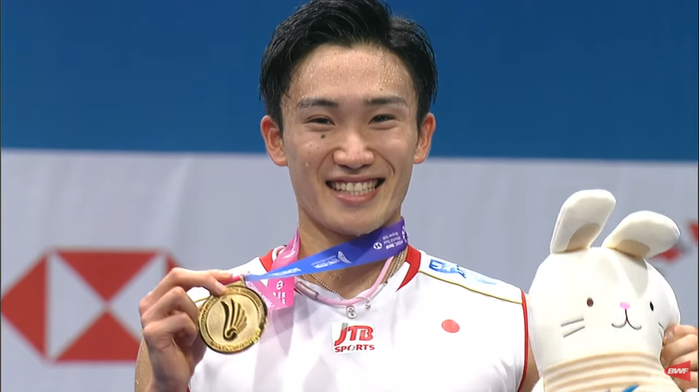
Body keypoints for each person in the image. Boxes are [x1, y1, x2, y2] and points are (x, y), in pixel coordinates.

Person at [134, 1, 699, 391]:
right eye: (322, 121)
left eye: (382, 119)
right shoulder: (200, 328)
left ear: (422, 136)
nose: (353, 151)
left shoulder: (517, 322)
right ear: (276, 140)